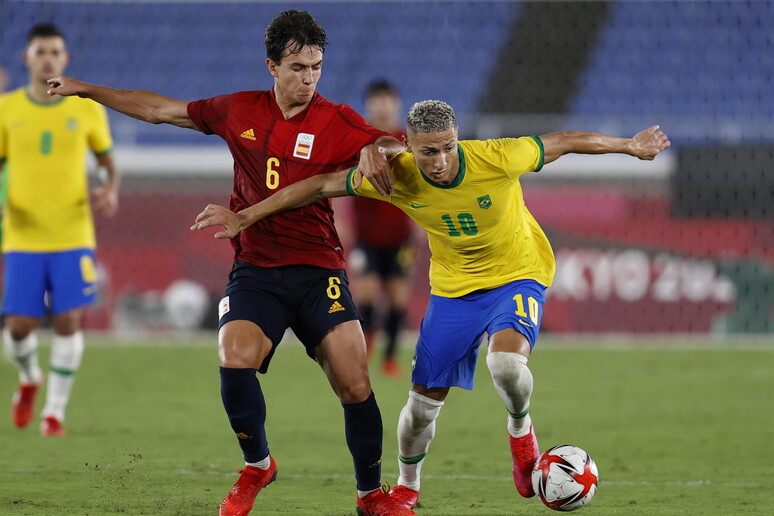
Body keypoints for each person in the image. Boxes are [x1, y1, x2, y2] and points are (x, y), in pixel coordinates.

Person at [191, 100, 671, 509]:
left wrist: (629, 146)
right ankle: (405, 490)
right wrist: (246, 215)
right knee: (420, 409)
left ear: (457, 139)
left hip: (517, 276)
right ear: (410, 148)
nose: (440, 160)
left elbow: (564, 140)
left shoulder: (498, 157)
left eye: (447, 147)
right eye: (428, 152)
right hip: (453, 291)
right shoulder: (395, 176)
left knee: (504, 365)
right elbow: (318, 187)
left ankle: (522, 436)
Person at [47, 10, 415, 516]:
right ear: (271, 66)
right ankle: (258, 464)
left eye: (316, 68)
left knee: (355, 381)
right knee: (233, 353)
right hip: (257, 269)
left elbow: (390, 143)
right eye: (297, 67)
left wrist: (379, 147)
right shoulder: (238, 110)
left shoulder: (336, 119)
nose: (308, 79)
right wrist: (86, 88)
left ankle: (371, 495)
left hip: (318, 269)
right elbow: (159, 110)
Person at [0, 23, 120, 437]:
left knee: (69, 321)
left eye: (55, 51)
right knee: (17, 327)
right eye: (41, 51)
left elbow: (107, 162)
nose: (48, 57)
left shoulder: (86, 108)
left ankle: (54, 413)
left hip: (72, 234)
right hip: (22, 235)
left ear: (65, 59)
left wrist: (110, 188)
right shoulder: (6, 110)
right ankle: (30, 377)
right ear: (27, 58)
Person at [351, 80, 413, 377]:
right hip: (366, 236)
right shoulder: (357, 138)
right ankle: (367, 342)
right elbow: (337, 178)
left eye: (388, 99)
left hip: (400, 237)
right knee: (366, 296)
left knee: (399, 299)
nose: (383, 105)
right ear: (369, 105)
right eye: (377, 100)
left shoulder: (409, 139)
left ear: (397, 104)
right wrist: (338, 220)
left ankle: (389, 359)